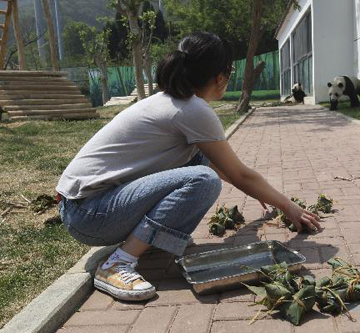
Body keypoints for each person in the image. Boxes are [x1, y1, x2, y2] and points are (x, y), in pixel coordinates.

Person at [56, 32, 321, 302]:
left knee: (201, 165)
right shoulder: (192, 109)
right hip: (89, 214)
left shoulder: (172, 101)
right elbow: (237, 174)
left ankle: (151, 241)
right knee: (203, 180)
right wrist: (288, 206)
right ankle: (118, 263)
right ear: (220, 76)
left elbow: (222, 166)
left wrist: (264, 196)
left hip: (84, 206)